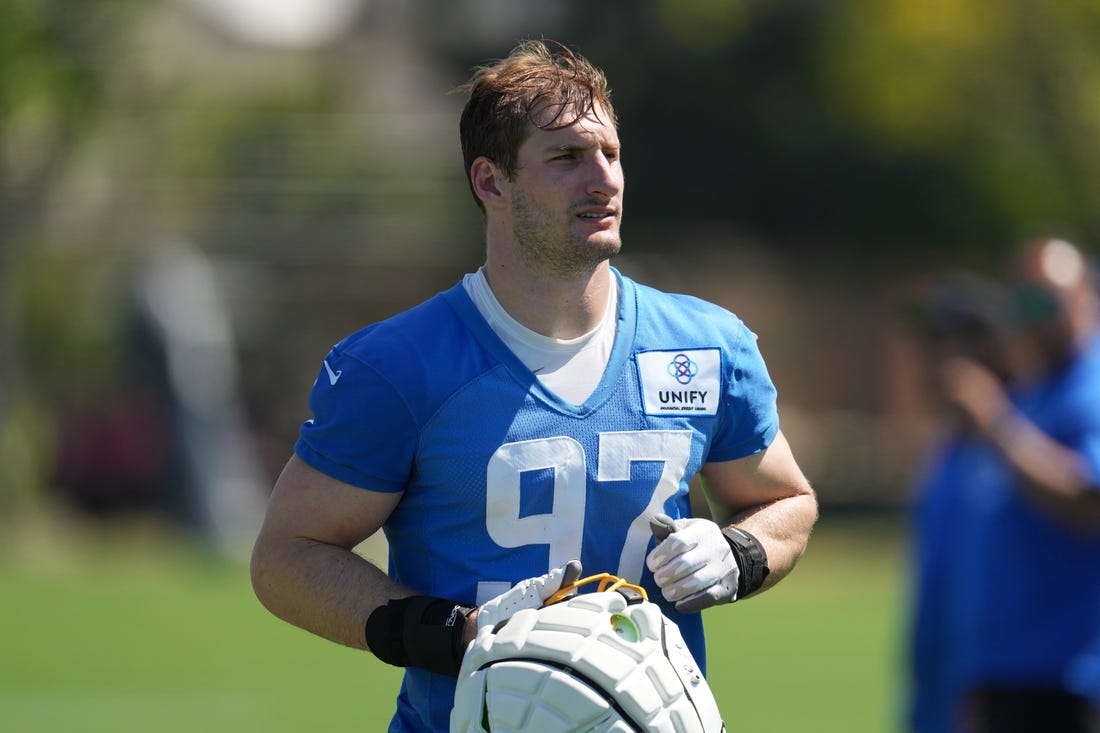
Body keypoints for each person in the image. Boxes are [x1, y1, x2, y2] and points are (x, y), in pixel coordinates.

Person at [250, 39, 818, 732]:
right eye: (567, 157)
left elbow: (787, 499)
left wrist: (740, 551)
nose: (603, 179)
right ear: (491, 182)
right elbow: (287, 556)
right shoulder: (399, 364)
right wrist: (450, 633)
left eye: (610, 153)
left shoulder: (702, 345)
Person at [910, 238, 1100, 733]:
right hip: (1005, 673)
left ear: (1087, 296)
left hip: (1068, 676)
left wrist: (995, 420)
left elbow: (1089, 501)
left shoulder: (1089, 387)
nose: (1035, 317)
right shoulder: (1037, 393)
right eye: (1024, 302)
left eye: (1047, 300)